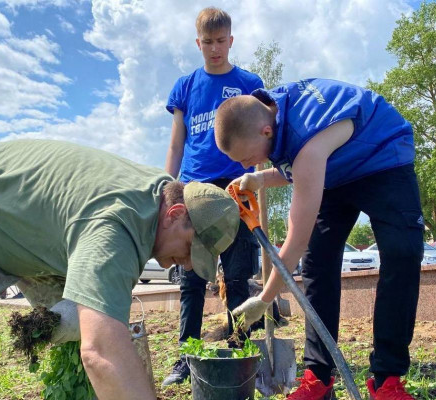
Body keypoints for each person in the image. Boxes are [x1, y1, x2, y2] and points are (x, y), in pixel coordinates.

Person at [0, 139, 240, 400]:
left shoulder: (157, 197)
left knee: (92, 321)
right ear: (174, 214)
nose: (185, 264)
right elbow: (102, 354)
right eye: (189, 250)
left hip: (30, 239)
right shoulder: (118, 225)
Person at [214, 78, 424, 400]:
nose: (244, 164)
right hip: (336, 169)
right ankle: (318, 376)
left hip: (382, 159)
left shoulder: (308, 138)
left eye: (245, 159)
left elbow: (296, 238)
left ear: (265, 132)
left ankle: (387, 380)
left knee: (402, 254)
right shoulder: (271, 113)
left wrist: (264, 299)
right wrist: (258, 178)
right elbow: (297, 168)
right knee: (318, 264)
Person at [161, 7, 264, 386]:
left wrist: (254, 181)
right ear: (198, 43)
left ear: (231, 40)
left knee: (237, 277)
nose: (215, 49)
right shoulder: (185, 87)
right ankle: (187, 357)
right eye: (207, 42)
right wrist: (164, 185)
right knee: (190, 278)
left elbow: (261, 134)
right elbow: (176, 143)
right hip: (192, 189)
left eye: (221, 41)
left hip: (235, 186)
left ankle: (239, 352)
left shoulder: (249, 81)